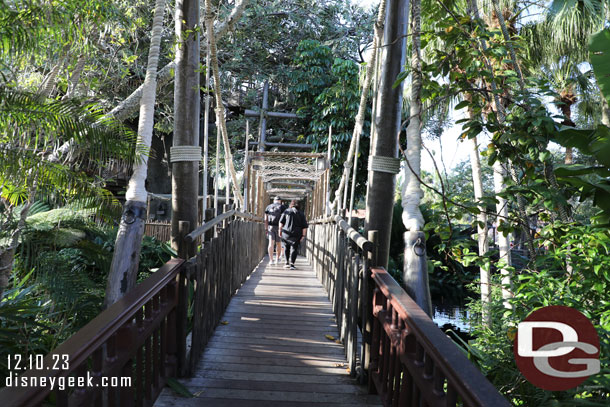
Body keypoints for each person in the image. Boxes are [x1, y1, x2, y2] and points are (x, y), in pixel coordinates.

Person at [279, 200, 308, 270]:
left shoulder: (286, 211)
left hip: (286, 233)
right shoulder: (301, 213)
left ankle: (286, 263)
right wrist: (303, 236)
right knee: (294, 248)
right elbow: (304, 226)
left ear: (291, 204)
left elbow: (281, 223)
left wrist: (279, 231)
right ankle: (292, 264)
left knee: (286, 247)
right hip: (297, 233)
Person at [264, 196, 286, 265]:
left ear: (274, 200)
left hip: (270, 227)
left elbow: (265, 219)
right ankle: (277, 259)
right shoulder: (282, 207)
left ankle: (271, 260)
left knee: (271, 243)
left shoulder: (268, 207)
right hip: (279, 227)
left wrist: (266, 228)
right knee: (278, 243)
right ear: (280, 201)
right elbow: (285, 219)